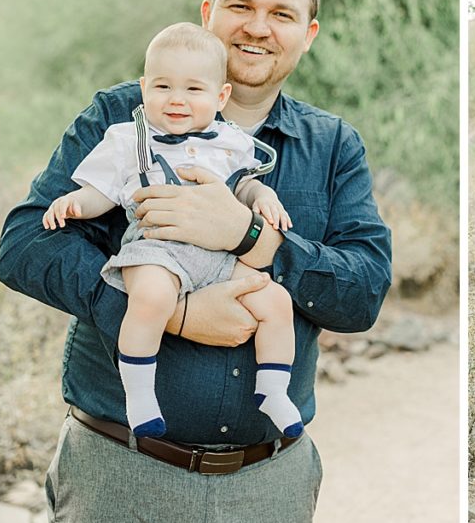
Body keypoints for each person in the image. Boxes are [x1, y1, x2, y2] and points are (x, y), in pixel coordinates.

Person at [0, 0, 393, 523]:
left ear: (307, 34)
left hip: (271, 485)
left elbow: (362, 293)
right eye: (241, 6)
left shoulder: (333, 145)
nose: (258, 28)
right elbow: (25, 246)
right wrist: (175, 313)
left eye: (281, 14)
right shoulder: (122, 118)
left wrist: (249, 235)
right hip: (119, 472)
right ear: (208, 14)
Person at [42, 22, 303, 441]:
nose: (177, 100)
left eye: (193, 90)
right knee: (152, 297)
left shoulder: (230, 142)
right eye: (163, 87)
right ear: (145, 89)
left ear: (220, 97)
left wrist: (262, 199)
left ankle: (272, 389)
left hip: (217, 260)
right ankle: (140, 394)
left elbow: (244, 183)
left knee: (273, 299)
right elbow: (101, 191)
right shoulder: (130, 139)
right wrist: (75, 203)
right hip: (156, 251)